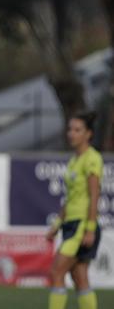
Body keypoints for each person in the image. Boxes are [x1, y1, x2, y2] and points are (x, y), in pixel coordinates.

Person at [46, 111, 102, 309]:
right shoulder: (73, 161)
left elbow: (95, 194)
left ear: (88, 134)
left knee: (56, 272)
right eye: (70, 129)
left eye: (77, 130)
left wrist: (90, 228)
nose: (71, 133)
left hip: (81, 226)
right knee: (79, 278)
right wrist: (56, 225)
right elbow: (69, 199)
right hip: (70, 224)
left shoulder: (92, 159)